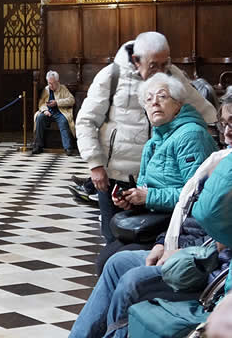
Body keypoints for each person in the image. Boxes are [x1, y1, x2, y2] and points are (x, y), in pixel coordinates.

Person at [68, 141, 232, 338]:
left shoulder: (193, 139)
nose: (228, 130)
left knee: (132, 280)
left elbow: (210, 224)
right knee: (115, 262)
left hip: (207, 266)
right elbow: (184, 211)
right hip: (180, 243)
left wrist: (149, 197)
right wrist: (161, 243)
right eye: (225, 124)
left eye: (231, 123)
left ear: (178, 108)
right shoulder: (159, 141)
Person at [76, 32, 217, 246]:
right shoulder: (111, 76)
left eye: (165, 63)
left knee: (146, 240)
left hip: (154, 180)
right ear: (136, 60)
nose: (161, 71)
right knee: (114, 236)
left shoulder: (172, 74)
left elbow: (204, 110)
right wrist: (95, 164)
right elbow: (85, 121)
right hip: (115, 174)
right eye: (153, 65)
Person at [32, 70, 76, 155]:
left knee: (64, 122)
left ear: (57, 81)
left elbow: (71, 100)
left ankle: (68, 148)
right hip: (48, 113)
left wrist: (57, 102)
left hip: (60, 112)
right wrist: (45, 110)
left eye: (52, 83)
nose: (50, 85)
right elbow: (41, 103)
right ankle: (38, 146)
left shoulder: (63, 88)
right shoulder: (46, 89)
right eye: (49, 83)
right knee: (39, 118)